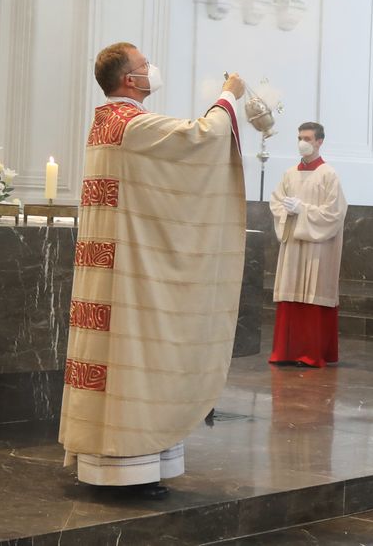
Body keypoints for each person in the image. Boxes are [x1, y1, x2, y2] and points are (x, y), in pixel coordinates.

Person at [58, 42, 246, 499]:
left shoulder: (108, 121)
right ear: (128, 80)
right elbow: (199, 137)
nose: (151, 71)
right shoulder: (130, 124)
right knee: (133, 355)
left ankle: (125, 464)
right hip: (125, 273)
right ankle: (126, 469)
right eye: (144, 66)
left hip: (112, 263)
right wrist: (229, 95)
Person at [268, 121, 346, 368]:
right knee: (291, 292)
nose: (303, 142)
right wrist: (286, 211)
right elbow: (276, 202)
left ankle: (310, 353)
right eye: (300, 137)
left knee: (312, 293)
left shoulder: (328, 175)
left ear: (319, 142)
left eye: (308, 138)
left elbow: (334, 213)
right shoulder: (290, 174)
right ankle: (286, 352)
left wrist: (303, 210)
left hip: (316, 246)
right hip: (293, 244)